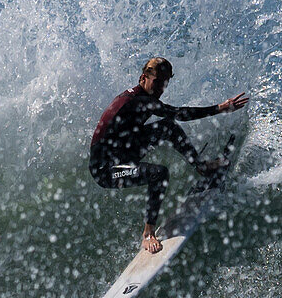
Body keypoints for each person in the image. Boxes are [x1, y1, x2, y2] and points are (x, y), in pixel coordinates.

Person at [89, 57, 249, 254]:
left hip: (123, 151)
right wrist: (219, 108)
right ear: (143, 78)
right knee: (159, 173)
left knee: (167, 127)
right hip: (106, 170)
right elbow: (179, 113)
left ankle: (201, 166)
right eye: (156, 82)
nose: (160, 89)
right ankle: (148, 233)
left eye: (164, 83)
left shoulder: (145, 97)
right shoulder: (136, 101)